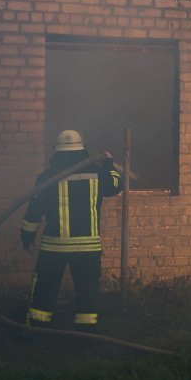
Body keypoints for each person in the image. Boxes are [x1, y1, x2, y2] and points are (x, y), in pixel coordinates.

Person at [20, 130, 123, 329]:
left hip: (54, 247)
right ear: (83, 150)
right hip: (87, 248)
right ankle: (86, 333)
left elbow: (34, 211)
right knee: (87, 290)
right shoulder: (97, 173)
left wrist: (27, 237)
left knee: (45, 288)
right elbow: (115, 185)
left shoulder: (47, 177)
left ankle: (37, 329)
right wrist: (109, 163)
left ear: (57, 152)